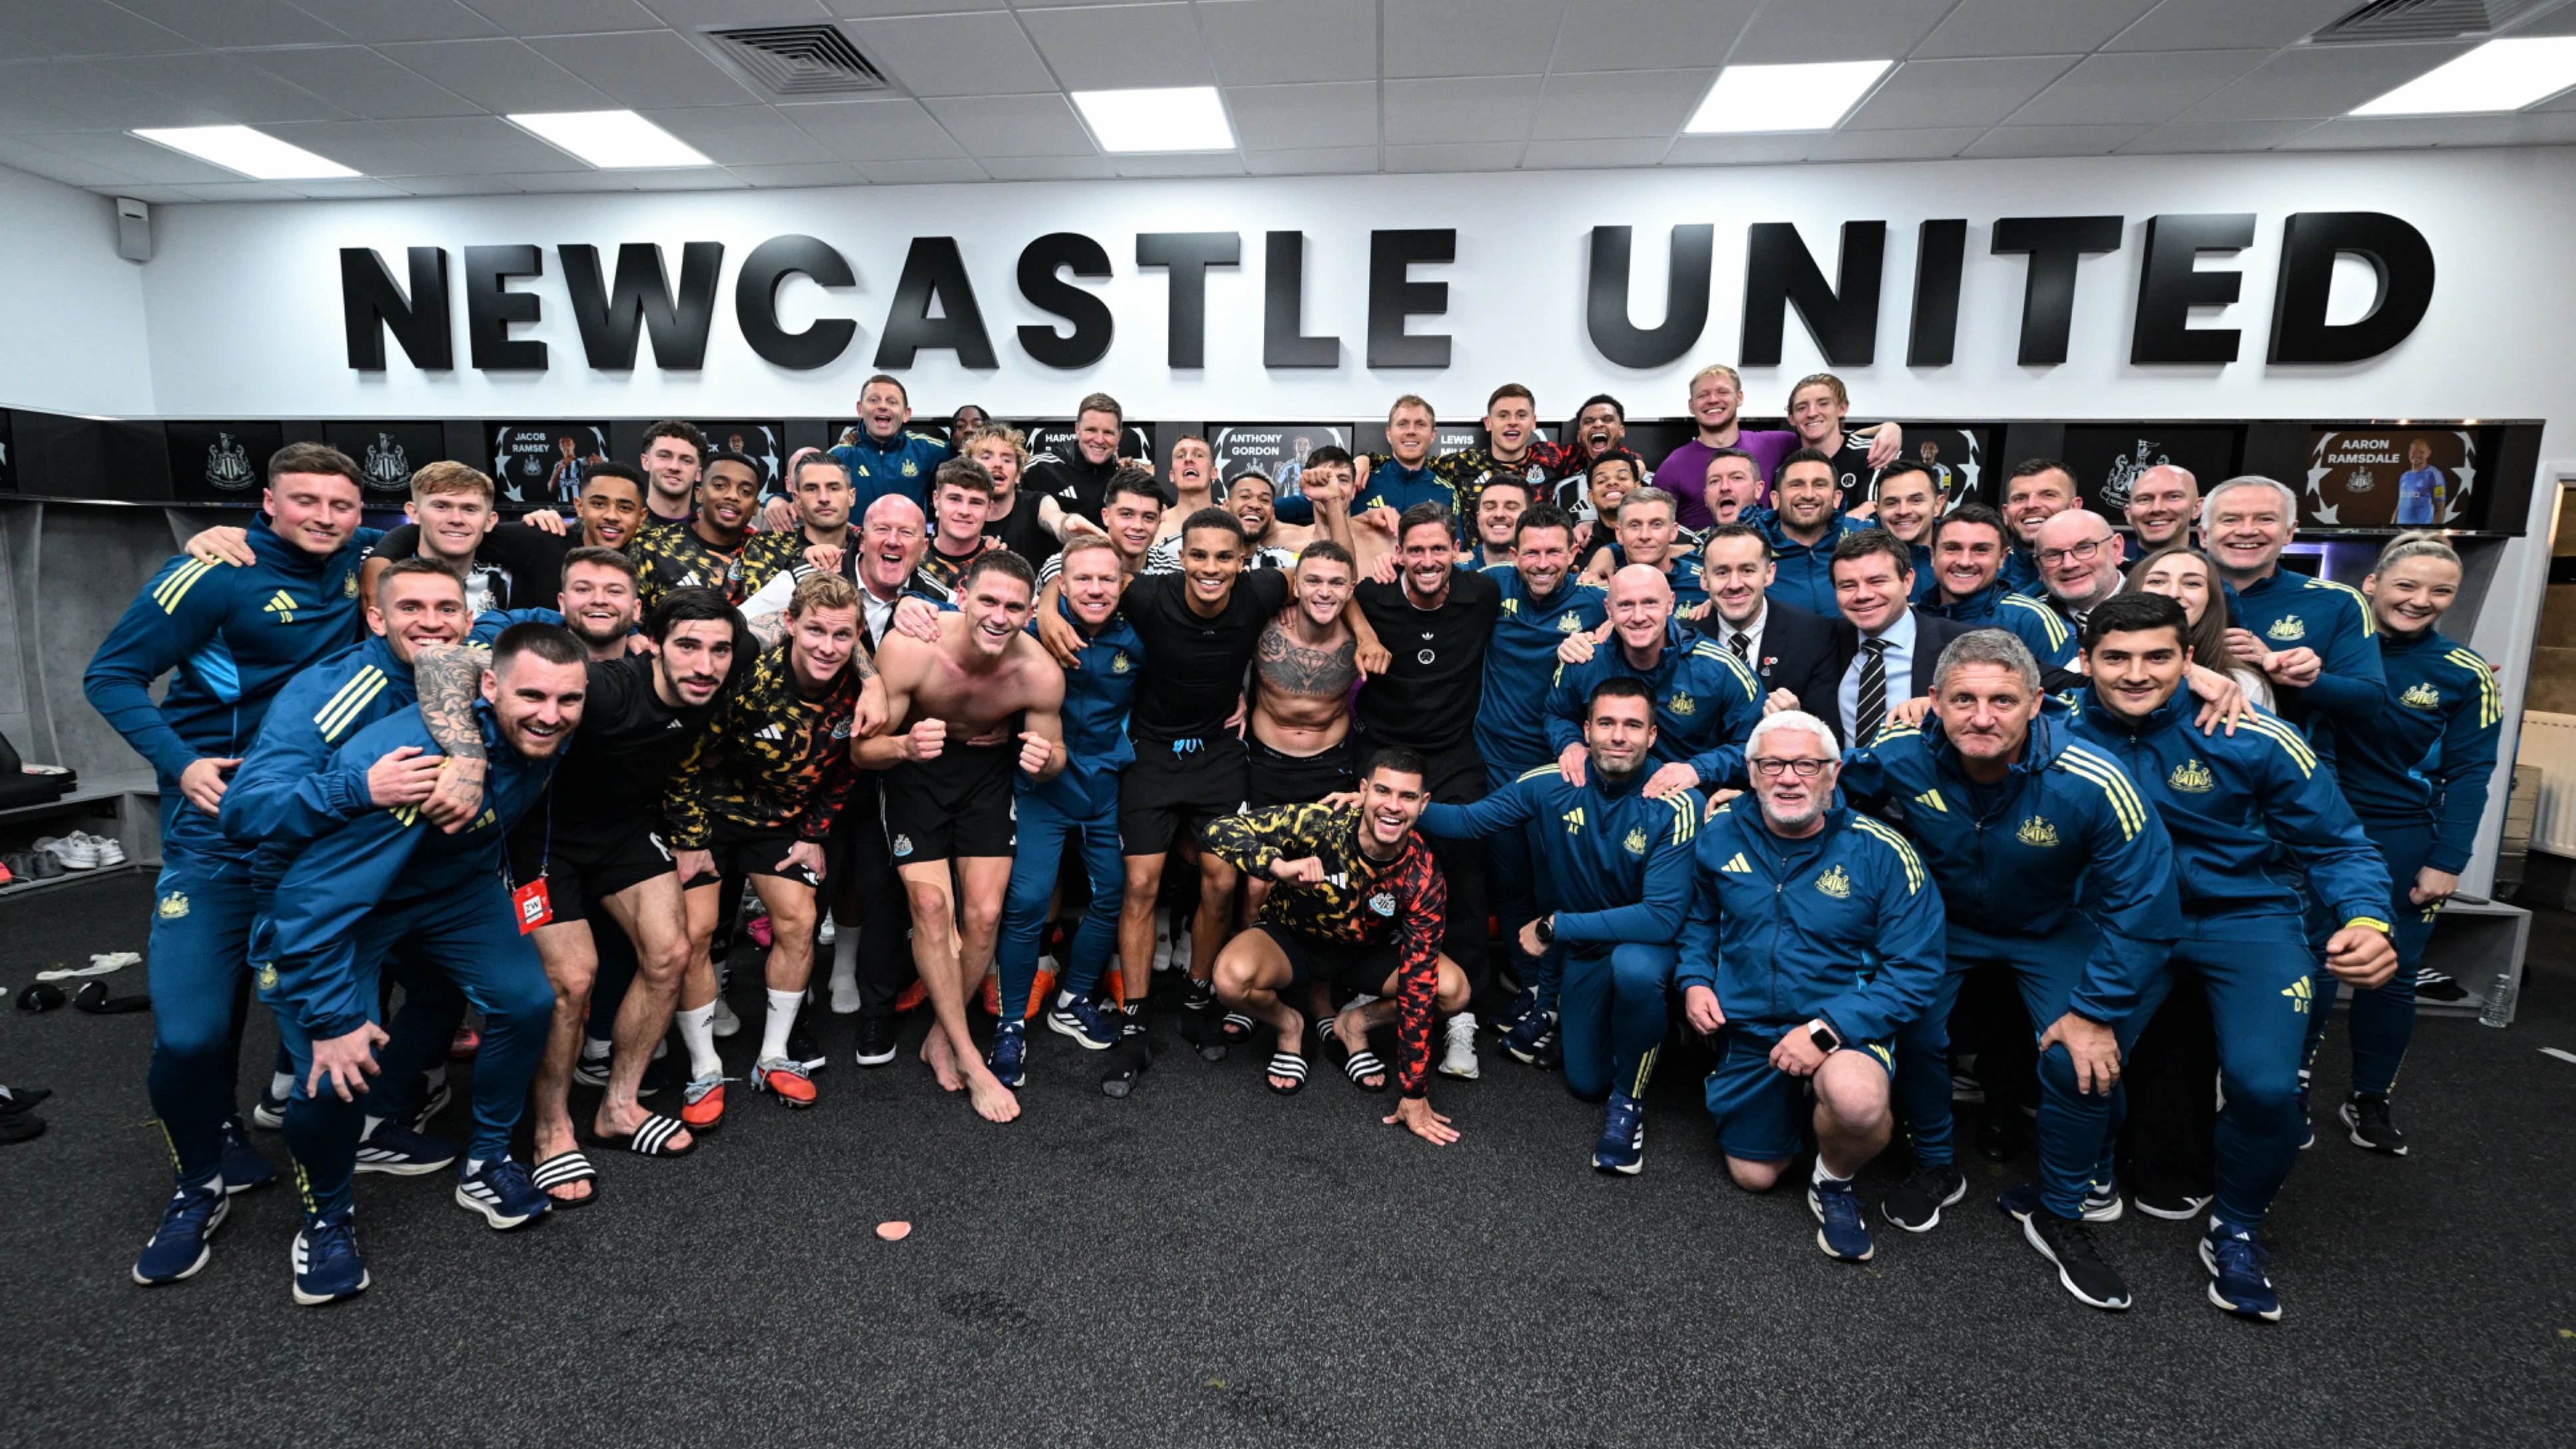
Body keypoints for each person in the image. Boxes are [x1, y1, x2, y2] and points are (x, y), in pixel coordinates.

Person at [87, 443, 383, 1285]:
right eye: (305, 501)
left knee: (324, 1036)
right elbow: (110, 675)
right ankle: (199, 1174)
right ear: (267, 500)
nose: (325, 516)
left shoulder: (370, 562)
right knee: (191, 1034)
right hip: (217, 834)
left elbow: (458, 528)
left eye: (342, 504)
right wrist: (180, 763)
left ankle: (328, 1211)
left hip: (317, 835)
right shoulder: (215, 572)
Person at [2062, 592, 2395, 1320]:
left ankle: (2237, 1225)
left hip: (2243, 916)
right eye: (2115, 657)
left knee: (2265, 1086)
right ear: (2084, 662)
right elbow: (1975, 719)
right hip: (2120, 923)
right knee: (2073, 1059)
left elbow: (2340, 843)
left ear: (2189, 659)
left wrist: (2369, 921)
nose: (2136, 672)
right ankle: (2083, 1174)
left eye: (2158, 655)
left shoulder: (2251, 732)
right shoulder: (2054, 733)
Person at [1837, 631, 2181, 1312]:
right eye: (1962, 699)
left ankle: (2060, 1209)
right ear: (1932, 702)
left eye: (2002, 700)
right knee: (1907, 1024)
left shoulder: (2091, 778)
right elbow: (1838, 793)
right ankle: (1936, 1164)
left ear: (2036, 705)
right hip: (1946, 922)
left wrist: (2094, 1010)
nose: (1981, 716)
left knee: (2075, 1056)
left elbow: (2145, 903)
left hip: (2053, 925)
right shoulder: (1903, 752)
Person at [254, 624, 590, 1303]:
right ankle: (325, 1216)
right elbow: (309, 901)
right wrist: (329, 1017)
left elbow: (466, 654)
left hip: (452, 889)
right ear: (489, 687)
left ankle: (488, 1157)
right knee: (334, 1067)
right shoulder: (416, 761)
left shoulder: (549, 723)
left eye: (568, 699)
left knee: (528, 1000)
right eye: (532, 695)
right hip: (346, 906)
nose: (551, 714)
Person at [414, 588, 746, 1203]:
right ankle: (550, 1129)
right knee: (572, 981)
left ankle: (619, 1105)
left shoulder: (731, 658)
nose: (705, 664)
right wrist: (464, 752)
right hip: (545, 837)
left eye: (719, 649)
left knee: (671, 953)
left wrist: (873, 679)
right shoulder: (610, 687)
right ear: (653, 644)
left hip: (623, 830)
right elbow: (441, 663)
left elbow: (797, 627)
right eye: (688, 646)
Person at [209, 561, 481, 1190]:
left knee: (444, 995)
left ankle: (376, 1118)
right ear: (376, 617)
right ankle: (322, 1198)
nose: (432, 622)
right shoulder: (332, 690)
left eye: (447, 609)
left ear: (469, 621)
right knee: (331, 1053)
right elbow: (245, 810)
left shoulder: (477, 672)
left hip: (415, 888)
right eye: (411, 608)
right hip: (321, 896)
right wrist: (356, 787)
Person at [1679, 710, 1944, 1263]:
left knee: (1855, 1102)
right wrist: (1695, 979)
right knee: (1754, 1176)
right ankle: (1787, 1101)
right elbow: (1700, 919)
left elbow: (1913, 972)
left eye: (1806, 763)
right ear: (1750, 772)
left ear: (1834, 772)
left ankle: (1834, 1179)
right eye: (1772, 763)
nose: (1789, 777)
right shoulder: (1718, 833)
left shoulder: (1883, 852)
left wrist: (1825, 1033)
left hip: (1840, 1022)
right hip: (1749, 1025)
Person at [1420, 678, 1700, 1171]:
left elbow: (1661, 917)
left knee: (1634, 972)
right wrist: (1395, 809)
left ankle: (1628, 1105)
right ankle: (1670, 1034)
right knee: (1583, 1082)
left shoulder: (1676, 801)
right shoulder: (1554, 781)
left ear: (1652, 735)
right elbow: (1468, 821)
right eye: (1607, 723)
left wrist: (1554, 926)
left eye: (1632, 725)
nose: (1619, 736)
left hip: (1647, 944)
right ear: (1586, 730)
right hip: (1587, 946)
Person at [2304, 534, 2501, 1151]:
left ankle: (2369, 1096)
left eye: (2439, 590)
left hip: (2401, 837)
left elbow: (2472, 772)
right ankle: (2289, 1081)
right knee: (2308, 965)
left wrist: (2448, 861)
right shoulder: (2322, 655)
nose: (2420, 600)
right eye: (2406, 585)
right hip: (2312, 829)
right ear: (2372, 585)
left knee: (2390, 974)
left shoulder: (2463, 672)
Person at [859, 551, 1066, 1123]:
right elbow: (861, 750)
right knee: (929, 906)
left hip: (986, 776)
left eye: (1014, 607)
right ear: (962, 596)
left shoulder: (1039, 672)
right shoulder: (910, 648)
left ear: (1030, 612)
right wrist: (903, 745)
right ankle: (970, 1057)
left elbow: (1056, 756)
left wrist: (1044, 759)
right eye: (989, 601)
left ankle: (939, 1036)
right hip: (913, 771)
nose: (999, 616)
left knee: (983, 913)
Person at [663, 573, 871, 1118]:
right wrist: (687, 840)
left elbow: (847, 771)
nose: (828, 646)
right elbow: (683, 757)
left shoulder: (861, 689)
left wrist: (813, 832)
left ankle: (774, 1056)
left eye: (842, 635)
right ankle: (705, 1067)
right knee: (694, 930)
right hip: (710, 813)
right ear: (789, 624)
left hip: (782, 821)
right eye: (815, 631)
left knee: (800, 921)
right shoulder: (745, 673)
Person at [1202, 751, 1469, 1143]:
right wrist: (1278, 867)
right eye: (1382, 791)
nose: (1393, 806)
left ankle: (1354, 1022)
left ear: (1423, 803)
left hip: (1365, 953)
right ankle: (1289, 1024)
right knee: (1229, 978)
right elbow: (1219, 830)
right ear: (1362, 792)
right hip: (1292, 941)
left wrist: (1414, 1091)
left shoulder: (1424, 874)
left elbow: (1419, 981)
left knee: (1452, 991)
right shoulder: (1321, 823)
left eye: (1407, 797)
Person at [1352, 503, 1505, 1078]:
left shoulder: (1481, 595)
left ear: (1458, 551)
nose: (1426, 561)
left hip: (1451, 756)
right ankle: (1369, 990)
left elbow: (1542, 575)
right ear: (1400, 553)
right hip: (1384, 752)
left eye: (1438, 549)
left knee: (1463, 876)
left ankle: (1460, 1014)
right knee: (1374, 871)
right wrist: (1364, 627)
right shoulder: (1373, 596)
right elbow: (1326, 586)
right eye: (1415, 550)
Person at [997, 534, 1147, 1075]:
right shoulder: (1031, 630)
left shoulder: (1138, 631)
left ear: (1123, 583)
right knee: (1028, 901)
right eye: (1081, 578)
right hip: (1040, 785)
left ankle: (1072, 999)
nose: (1096, 588)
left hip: (1105, 784)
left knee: (1113, 893)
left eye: (1106, 578)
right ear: (1061, 583)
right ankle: (1010, 1022)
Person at [1473, 505, 1610, 1064]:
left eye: (1554, 551)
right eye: (1530, 551)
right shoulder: (1487, 586)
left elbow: (1656, 619)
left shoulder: (1596, 603)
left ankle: (1557, 996)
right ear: (1513, 553)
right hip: (1495, 764)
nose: (1541, 562)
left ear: (1573, 554)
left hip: (1562, 771)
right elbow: (1422, 576)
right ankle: (1531, 989)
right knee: (1509, 884)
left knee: (1558, 887)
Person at [2203, 475, 2388, 737]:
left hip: (2289, 767)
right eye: (2230, 519)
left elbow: (2370, 702)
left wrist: (2302, 679)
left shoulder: (2337, 601)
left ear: (2289, 532)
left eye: (2265, 519)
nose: (2246, 530)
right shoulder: (2167, 594)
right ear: (2203, 534)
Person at [1652, 363, 1899, 529]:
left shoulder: (1772, 444)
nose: (1713, 400)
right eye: (1703, 395)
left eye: (1722, 392)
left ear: (1739, 398)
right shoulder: (1674, 465)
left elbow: (1824, 435)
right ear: (1691, 406)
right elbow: (1655, 527)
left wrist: (1888, 428)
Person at [1818, 532, 1974, 749]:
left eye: (1877, 581)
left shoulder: (1964, 643)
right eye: (1848, 585)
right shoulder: (1821, 641)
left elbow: (2029, 698)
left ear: (1907, 581)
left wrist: (1945, 707)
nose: (1863, 595)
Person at [1247, 542, 1361, 809]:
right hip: (1264, 763)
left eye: (1336, 583)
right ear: (1296, 587)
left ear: (1350, 590)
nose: (1324, 592)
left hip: (1330, 765)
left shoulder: (1361, 637)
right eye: (1313, 581)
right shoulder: (1265, 626)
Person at [1917, 504, 2080, 685]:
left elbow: (2074, 697)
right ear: (1933, 556)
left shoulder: (2033, 619)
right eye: (1952, 548)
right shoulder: (1915, 617)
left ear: (2002, 558)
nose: (1965, 561)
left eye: (1981, 550)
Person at [1693, 524, 1841, 719]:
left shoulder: (1813, 636)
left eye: (1747, 570)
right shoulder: (1687, 638)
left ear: (1769, 574)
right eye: (1722, 572)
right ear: (1704, 579)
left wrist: (1797, 721)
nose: (1735, 585)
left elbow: (1831, 733)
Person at [2121, 545, 2273, 708]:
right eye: (2157, 581)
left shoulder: (2243, 685)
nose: (2173, 593)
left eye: (2192, 583)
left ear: (2211, 599)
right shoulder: (2099, 669)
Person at [630, 450, 761, 608]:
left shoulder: (770, 551)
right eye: (720, 486)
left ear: (755, 507)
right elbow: (633, 622)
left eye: (745, 491)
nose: (733, 496)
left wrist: (780, 499)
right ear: (699, 494)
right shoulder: (651, 547)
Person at [1756, 448, 1877, 618]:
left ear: (1837, 498)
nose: (1808, 495)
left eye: (1819, 485)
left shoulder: (1867, 538)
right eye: (1796, 485)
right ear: (1775, 499)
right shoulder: (1751, 548)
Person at [740, 453, 858, 600]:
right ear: (798, 499)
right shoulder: (767, 546)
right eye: (811, 489)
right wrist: (805, 564)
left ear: (851, 497)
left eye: (833, 488)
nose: (824, 498)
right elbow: (763, 616)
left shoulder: (867, 546)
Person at [830, 374, 953, 513]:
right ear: (860, 409)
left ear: (906, 414)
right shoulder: (838, 456)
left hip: (909, 535)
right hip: (857, 535)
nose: (883, 406)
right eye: (874, 400)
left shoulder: (927, 450)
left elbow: (973, 458)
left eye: (892, 402)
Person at [1580, 485, 1706, 613]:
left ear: (1673, 532)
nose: (1645, 536)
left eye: (1657, 525)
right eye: (1634, 525)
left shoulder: (1702, 585)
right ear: (1619, 534)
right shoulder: (1597, 583)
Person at [963, 423, 1065, 566]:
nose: (998, 464)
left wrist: (1068, 526)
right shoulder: (956, 515)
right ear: (968, 470)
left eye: (1007, 460)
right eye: (986, 457)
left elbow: (1056, 519)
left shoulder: (1035, 504)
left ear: (1018, 475)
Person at [1029, 391, 1128, 528]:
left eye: (1108, 433)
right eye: (1091, 430)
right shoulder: (1042, 467)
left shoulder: (1127, 478)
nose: (1099, 440)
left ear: (1119, 436)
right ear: (1077, 429)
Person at [1786, 373, 1889, 498]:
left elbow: (1872, 510)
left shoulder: (1874, 453)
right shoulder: (1785, 465)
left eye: (1823, 404)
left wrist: (1891, 426)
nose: (1812, 413)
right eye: (1802, 408)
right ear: (1792, 418)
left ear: (1842, 408)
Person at [915, 457, 1004, 601]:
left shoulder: (1004, 568)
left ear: (989, 508)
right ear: (936, 500)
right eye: (955, 499)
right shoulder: (911, 559)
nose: (964, 511)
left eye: (976, 502)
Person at [2034, 510, 2127, 630]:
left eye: (2084, 548)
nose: (2069, 565)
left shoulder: (2156, 605)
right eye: (2053, 555)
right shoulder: (2030, 622)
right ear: (2039, 567)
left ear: (2116, 549)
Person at [1998, 459, 2079, 596]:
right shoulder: (1984, 574)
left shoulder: (2104, 573)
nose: (2031, 505)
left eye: (2048, 495)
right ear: (2006, 514)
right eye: (2020, 498)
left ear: (2074, 507)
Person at [1866, 459, 1944, 600]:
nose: (1903, 511)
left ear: (1938, 505)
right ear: (1878, 510)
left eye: (1916, 500)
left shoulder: (1962, 557)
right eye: (1892, 503)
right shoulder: (1859, 557)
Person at [1148, 434, 1220, 548]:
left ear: (1214, 473)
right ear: (1172, 475)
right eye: (1181, 456)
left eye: (1199, 455)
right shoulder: (1154, 526)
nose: (1188, 459)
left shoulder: (1231, 525)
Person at [2124, 463, 2199, 552]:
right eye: (2144, 499)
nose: (2157, 508)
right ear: (2128, 513)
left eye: (2173, 497)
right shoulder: (2109, 565)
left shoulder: (2211, 566)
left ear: (2196, 508)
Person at [1466, 473, 1529, 569]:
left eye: (1511, 507)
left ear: (1529, 517)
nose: (1499, 514)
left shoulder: (1548, 571)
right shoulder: (1453, 573)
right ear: (1478, 518)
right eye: (1489, 507)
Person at [1698, 448, 1765, 530]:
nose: (1724, 487)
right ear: (1706, 497)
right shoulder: (1698, 541)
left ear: (1758, 489)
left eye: (1737, 478)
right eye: (1715, 481)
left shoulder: (1780, 534)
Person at [2394, 438, 2445, 526]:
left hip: (2420, 533)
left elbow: (2440, 509)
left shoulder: (2434, 474)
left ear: (2428, 453)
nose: (2416, 455)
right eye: (2413, 452)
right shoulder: (2404, 476)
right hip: (2400, 532)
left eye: (2421, 452)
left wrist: (2432, 532)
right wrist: (2391, 526)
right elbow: (2400, 505)